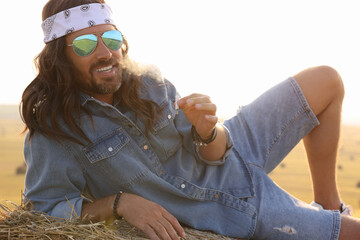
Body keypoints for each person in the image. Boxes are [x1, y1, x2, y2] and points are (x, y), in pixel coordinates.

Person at [21, 0, 360, 239]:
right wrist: (121, 203)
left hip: (232, 147)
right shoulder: (55, 132)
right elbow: (46, 208)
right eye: (84, 45)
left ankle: (329, 204)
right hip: (225, 205)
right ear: (60, 56)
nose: (105, 53)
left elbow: (211, 152)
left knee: (327, 80)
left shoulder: (147, 83)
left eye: (110, 39)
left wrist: (207, 131)